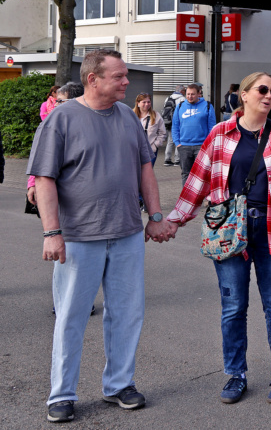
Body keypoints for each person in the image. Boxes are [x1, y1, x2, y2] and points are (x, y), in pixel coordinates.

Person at [27, 50, 171, 423]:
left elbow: (145, 169)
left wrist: (154, 217)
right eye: (119, 77)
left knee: (126, 314)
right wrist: (52, 232)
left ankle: (119, 385)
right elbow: (44, 180)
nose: (127, 83)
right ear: (93, 79)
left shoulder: (126, 115)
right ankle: (61, 394)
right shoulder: (61, 119)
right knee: (71, 317)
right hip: (78, 237)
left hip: (125, 233)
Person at [165, 72, 271, 404]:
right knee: (233, 307)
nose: (270, 95)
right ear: (244, 95)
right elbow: (197, 182)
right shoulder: (220, 134)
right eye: (262, 89)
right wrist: (173, 220)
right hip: (230, 230)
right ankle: (235, 374)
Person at [172, 83, 217, 184]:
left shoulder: (208, 106)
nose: (189, 96)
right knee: (185, 174)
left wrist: (208, 144)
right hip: (184, 146)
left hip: (201, 146)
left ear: (198, 94)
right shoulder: (180, 106)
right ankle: (186, 199)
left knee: (201, 174)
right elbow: (175, 125)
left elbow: (212, 128)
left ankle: (199, 198)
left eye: (192, 94)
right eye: (188, 94)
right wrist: (177, 143)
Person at [132, 93, 166, 166]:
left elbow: (162, 133)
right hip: (134, 151)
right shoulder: (131, 115)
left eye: (148, 102)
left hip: (150, 150)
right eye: (144, 102)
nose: (147, 104)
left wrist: (155, 145)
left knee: (147, 173)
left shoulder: (156, 115)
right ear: (138, 103)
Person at [161, 84, 186, 166]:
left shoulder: (168, 98)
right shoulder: (182, 99)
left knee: (170, 141)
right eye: (185, 91)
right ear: (181, 91)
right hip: (178, 123)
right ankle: (177, 160)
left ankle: (167, 159)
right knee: (178, 140)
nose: (185, 92)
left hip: (168, 122)